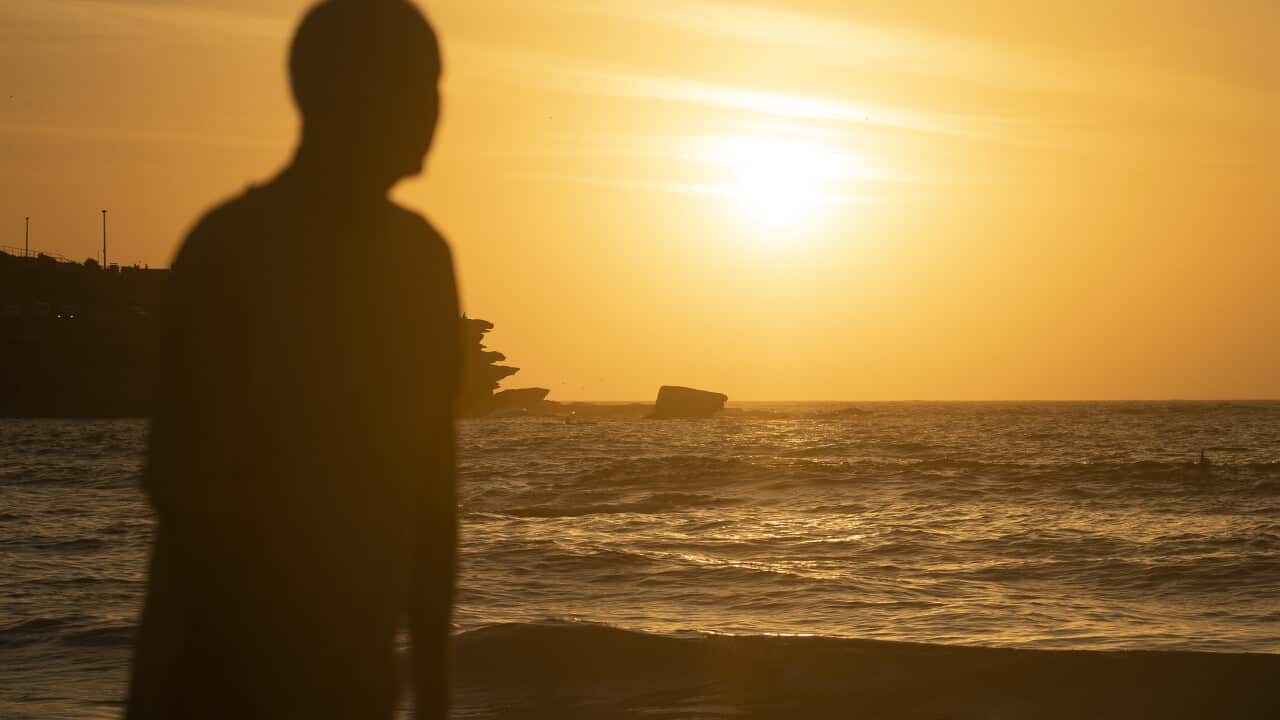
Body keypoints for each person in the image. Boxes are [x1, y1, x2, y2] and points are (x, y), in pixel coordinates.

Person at [125, 1, 458, 717]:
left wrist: (432, 695)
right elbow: (193, 517)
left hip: (355, 684)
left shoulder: (423, 261)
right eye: (420, 84)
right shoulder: (230, 254)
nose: (436, 108)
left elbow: (434, 505)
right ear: (343, 91)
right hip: (220, 684)